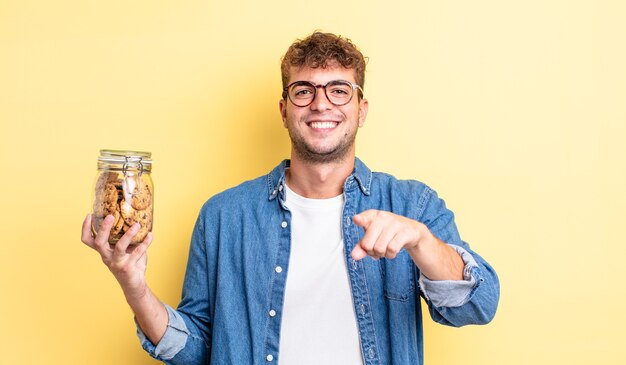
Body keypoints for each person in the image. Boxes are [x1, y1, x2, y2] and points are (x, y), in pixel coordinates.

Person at [81, 31, 500, 365]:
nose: (321, 104)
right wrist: (133, 285)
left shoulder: (413, 206)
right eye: (304, 90)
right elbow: (197, 350)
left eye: (339, 90)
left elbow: (478, 306)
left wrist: (422, 242)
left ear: (362, 108)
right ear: (284, 109)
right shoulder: (224, 216)